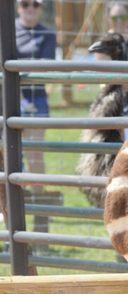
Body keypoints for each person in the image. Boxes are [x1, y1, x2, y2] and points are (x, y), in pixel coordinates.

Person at [15, 0, 55, 177]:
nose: (30, 8)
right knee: (8, 152)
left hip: (36, 96)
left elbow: (45, 66)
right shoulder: (7, 30)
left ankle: (38, 197)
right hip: (7, 96)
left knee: (34, 152)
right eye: (25, 4)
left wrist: (14, 69)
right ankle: (12, 199)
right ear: (18, 8)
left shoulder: (47, 34)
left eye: (35, 5)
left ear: (40, 9)